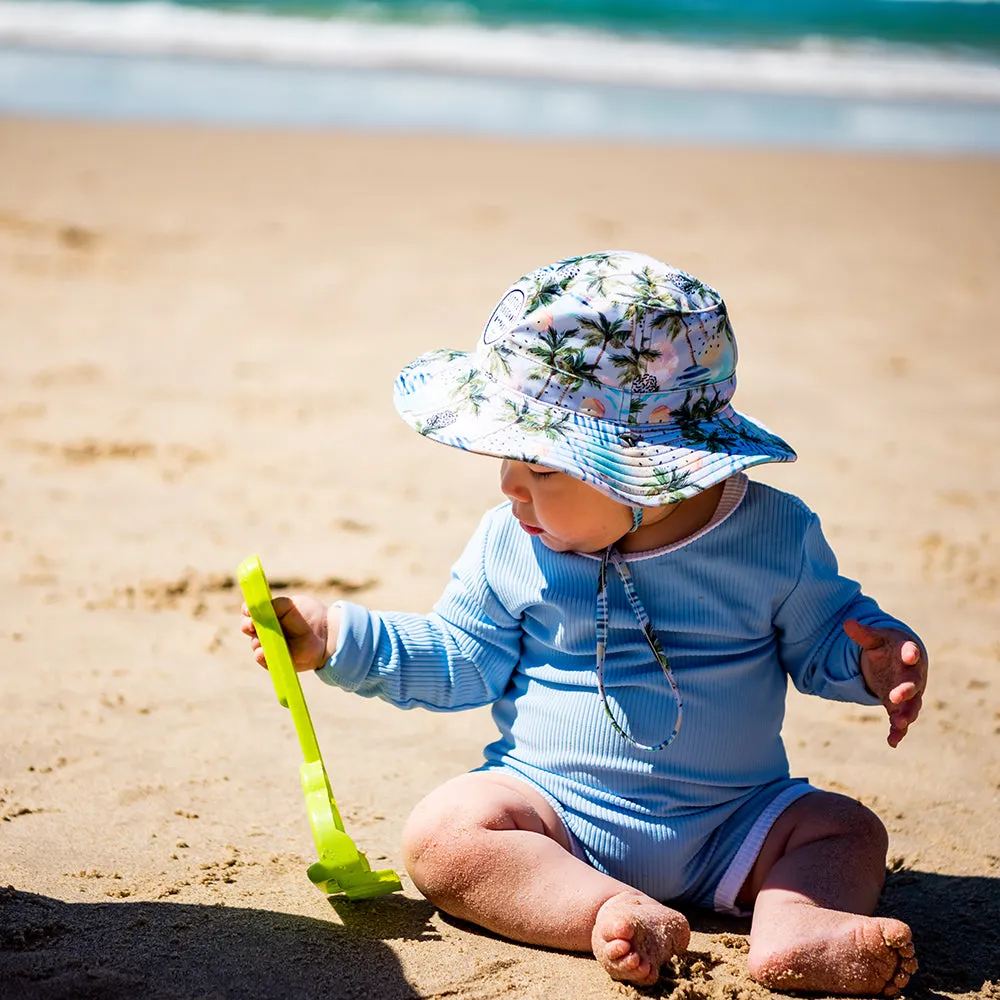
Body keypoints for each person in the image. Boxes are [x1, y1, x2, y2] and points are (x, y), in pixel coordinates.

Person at [241, 251, 926, 996]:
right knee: (444, 834)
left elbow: (821, 636)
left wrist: (870, 660)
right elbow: (459, 657)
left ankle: (797, 926)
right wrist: (337, 636)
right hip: (556, 817)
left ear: (647, 470)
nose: (510, 487)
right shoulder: (511, 541)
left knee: (845, 830)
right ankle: (608, 909)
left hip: (739, 822)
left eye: (543, 469)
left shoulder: (775, 535)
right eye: (508, 460)